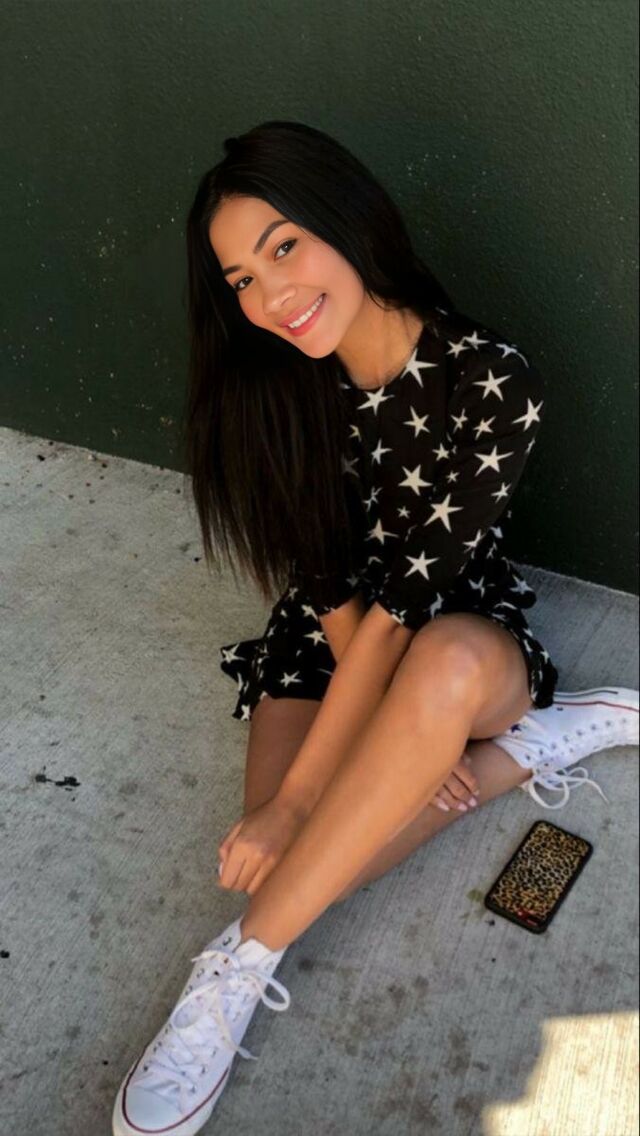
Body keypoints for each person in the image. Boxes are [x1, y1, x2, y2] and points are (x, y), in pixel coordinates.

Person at [112, 121, 639, 1136]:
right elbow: (336, 599)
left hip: (459, 639)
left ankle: (231, 974)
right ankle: (522, 754)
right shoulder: (275, 392)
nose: (271, 295)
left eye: (283, 247)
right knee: (309, 854)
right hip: (330, 637)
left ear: (347, 221)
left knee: (337, 794)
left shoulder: (491, 381)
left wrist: (321, 786)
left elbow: (405, 618)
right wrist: (379, 760)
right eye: (241, 279)